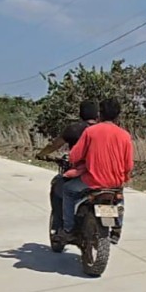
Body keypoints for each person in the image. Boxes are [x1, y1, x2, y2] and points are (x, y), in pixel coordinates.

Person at [60, 98, 134, 240]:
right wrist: (124, 177)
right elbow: (128, 164)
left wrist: (72, 160)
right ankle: (117, 228)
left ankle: (68, 229)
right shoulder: (125, 135)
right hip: (115, 182)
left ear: (100, 114)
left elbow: (75, 156)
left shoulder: (91, 132)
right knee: (118, 198)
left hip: (92, 180)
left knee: (68, 191)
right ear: (118, 115)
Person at [37, 101, 98, 231]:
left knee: (59, 187)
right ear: (97, 115)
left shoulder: (74, 129)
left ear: (81, 114)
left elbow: (55, 145)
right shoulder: (104, 130)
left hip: (80, 173)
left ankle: (62, 226)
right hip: (103, 174)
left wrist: (41, 154)